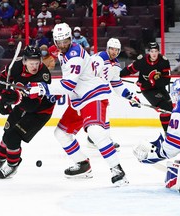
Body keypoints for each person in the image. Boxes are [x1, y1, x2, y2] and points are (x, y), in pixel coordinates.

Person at [28, 23, 130, 186]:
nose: (62, 45)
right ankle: (83, 165)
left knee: (95, 131)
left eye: (65, 41)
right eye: (59, 42)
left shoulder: (75, 54)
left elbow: (68, 85)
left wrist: (42, 88)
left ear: (70, 39)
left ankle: (117, 170)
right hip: (79, 101)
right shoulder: (62, 52)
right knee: (61, 133)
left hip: (93, 95)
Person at [0, 46, 56, 179]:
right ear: (24, 61)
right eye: (31, 63)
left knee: (13, 137)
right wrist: (2, 97)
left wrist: (15, 98)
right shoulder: (15, 65)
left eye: (37, 62)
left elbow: (33, 105)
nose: (34, 66)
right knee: (7, 133)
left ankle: (12, 164)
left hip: (40, 111)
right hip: (23, 104)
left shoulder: (43, 75)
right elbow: (5, 78)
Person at [87, 37, 141, 149]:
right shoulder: (99, 58)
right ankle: (99, 140)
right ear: (107, 48)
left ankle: (95, 139)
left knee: (105, 115)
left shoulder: (116, 65)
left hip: (99, 92)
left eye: (117, 50)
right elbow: (89, 74)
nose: (114, 52)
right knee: (102, 115)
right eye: (112, 49)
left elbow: (117, 84)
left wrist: (130, 96)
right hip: (88, 91)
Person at [120, 42, 173, 134]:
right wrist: (117, 75)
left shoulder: (164, 61)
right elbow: (129, 70)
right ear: (148, 52)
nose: (154, 54)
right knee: (164, 108)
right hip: (147, 90)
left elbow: (167, 80)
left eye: (156, 51)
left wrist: (151, 83)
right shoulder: (142, 60)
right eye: (152, 51)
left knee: (170, 109)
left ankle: (172, 131)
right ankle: (167, 133)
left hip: (159, 88)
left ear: (158, 51)